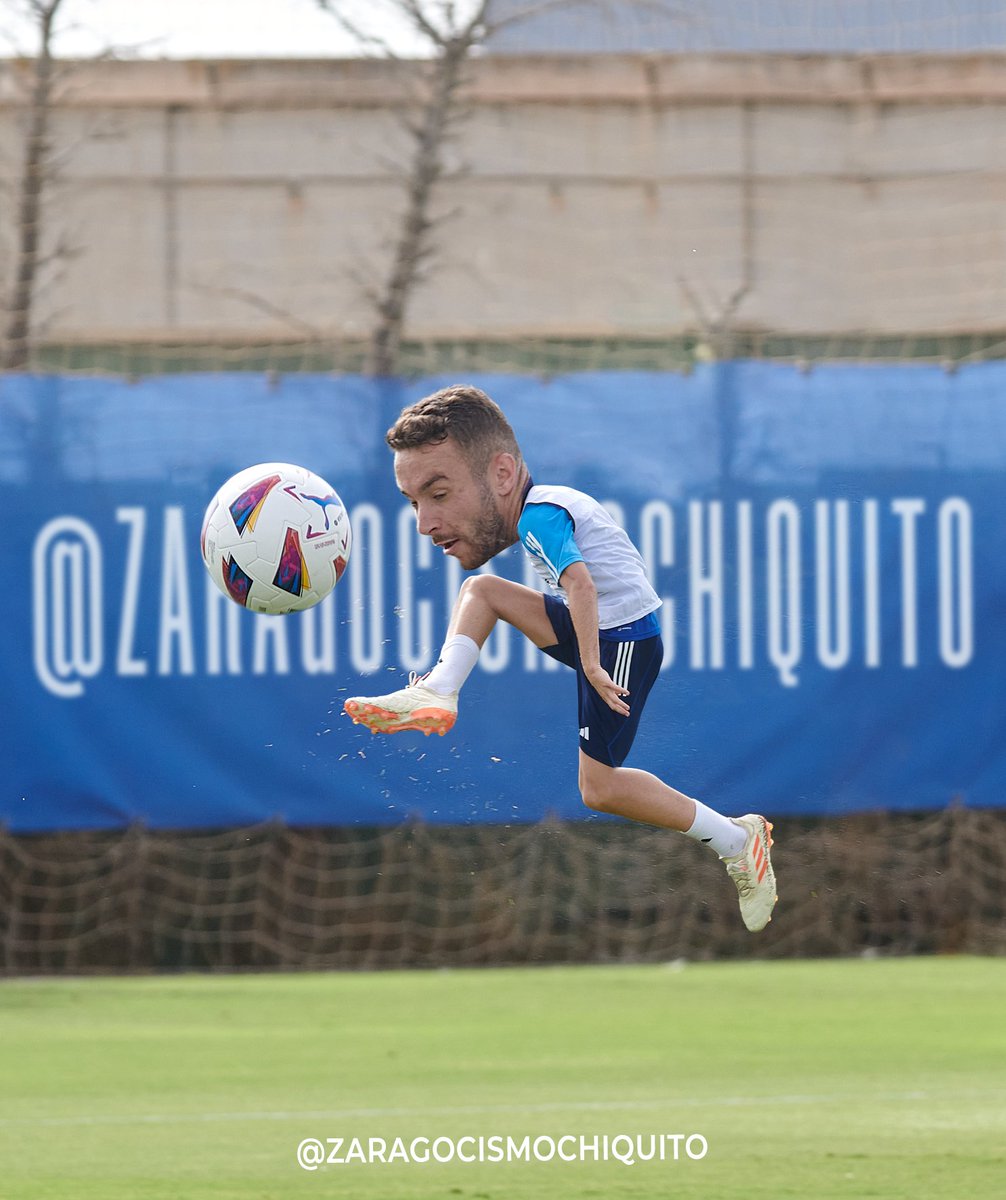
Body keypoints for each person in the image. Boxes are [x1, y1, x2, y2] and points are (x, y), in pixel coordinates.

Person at [344, 385, 777, 932]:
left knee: (600, 788)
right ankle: (438, 689)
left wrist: (593, 665)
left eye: (439, 493)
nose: (424, 523)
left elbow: (582, 585)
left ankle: (739, 840)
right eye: (414, 501)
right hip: (599, 630)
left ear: (503, 474)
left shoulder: (537, 516)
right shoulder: (541, 508)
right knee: (483, 592)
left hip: (621, 644)